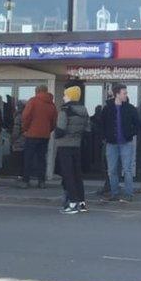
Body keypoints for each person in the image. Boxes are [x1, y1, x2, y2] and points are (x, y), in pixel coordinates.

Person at [101, 83, 140, 202]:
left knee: (127, 169)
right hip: (111, 143)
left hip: (126, 142)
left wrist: (130, 133)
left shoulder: (130, 108)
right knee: (112, 169)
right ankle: (114, 193)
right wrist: (105, 136)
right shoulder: (107, 108)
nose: (126, 95)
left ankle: (129, 194)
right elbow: (101, 123)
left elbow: (137, 124)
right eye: (124, 93)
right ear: (117, 94)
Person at [56, 85, 91, 214]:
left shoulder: (65, 110)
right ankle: (82, 203)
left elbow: (60, 129)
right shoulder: (84, 110)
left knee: (68, 174)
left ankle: (72, 202)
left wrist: (56, 134)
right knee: (77, 174)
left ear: (70, 96)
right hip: (77, 145)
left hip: (64, 145)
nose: (64, 97)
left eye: (65, 95)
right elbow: (87, 129)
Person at [20, 84, 57, 189]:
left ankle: (26, 180)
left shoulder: (33, 101)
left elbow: (25, 116)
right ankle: (41, 181)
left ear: (37, 91)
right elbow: (54, 121)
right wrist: (48, 130)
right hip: (45, 135)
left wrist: (25, 129)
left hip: (32, 134)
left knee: (28, 158)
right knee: (41, 159)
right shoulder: (51, 104)